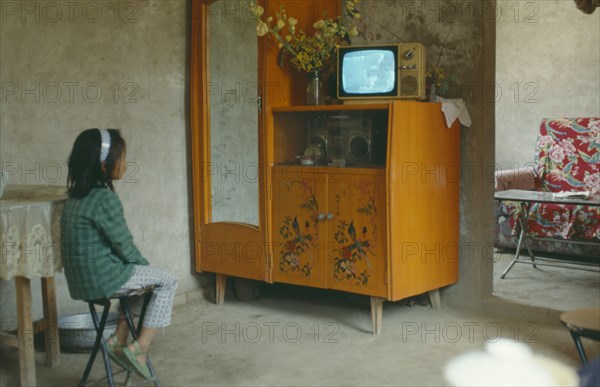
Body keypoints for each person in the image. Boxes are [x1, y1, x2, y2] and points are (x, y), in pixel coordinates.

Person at [61, 128, 177, 379]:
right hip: (103, 278)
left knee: (144, 279)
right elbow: (124, 245)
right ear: (104, 165)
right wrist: (146, 268)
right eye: (122, 157)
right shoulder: (104, 199)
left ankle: (119, 337)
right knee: (166, 281)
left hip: (81, 282)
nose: (125, 164)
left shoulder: (74, 197)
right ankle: (140, 347)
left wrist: (143, 272)